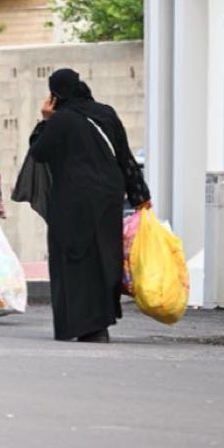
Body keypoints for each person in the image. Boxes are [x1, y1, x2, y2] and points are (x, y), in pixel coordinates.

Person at [27, 68, 151, 343]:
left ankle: (80, 324)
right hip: (108, 197)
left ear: (55, 95)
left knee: (74, 258)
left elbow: (39, 152)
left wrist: (45, 120)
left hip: (73, 200)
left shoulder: (61, 120)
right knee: (104, 255)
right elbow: (125, 157)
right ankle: (100, 322)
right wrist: (140, 195)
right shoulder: (106, 114)